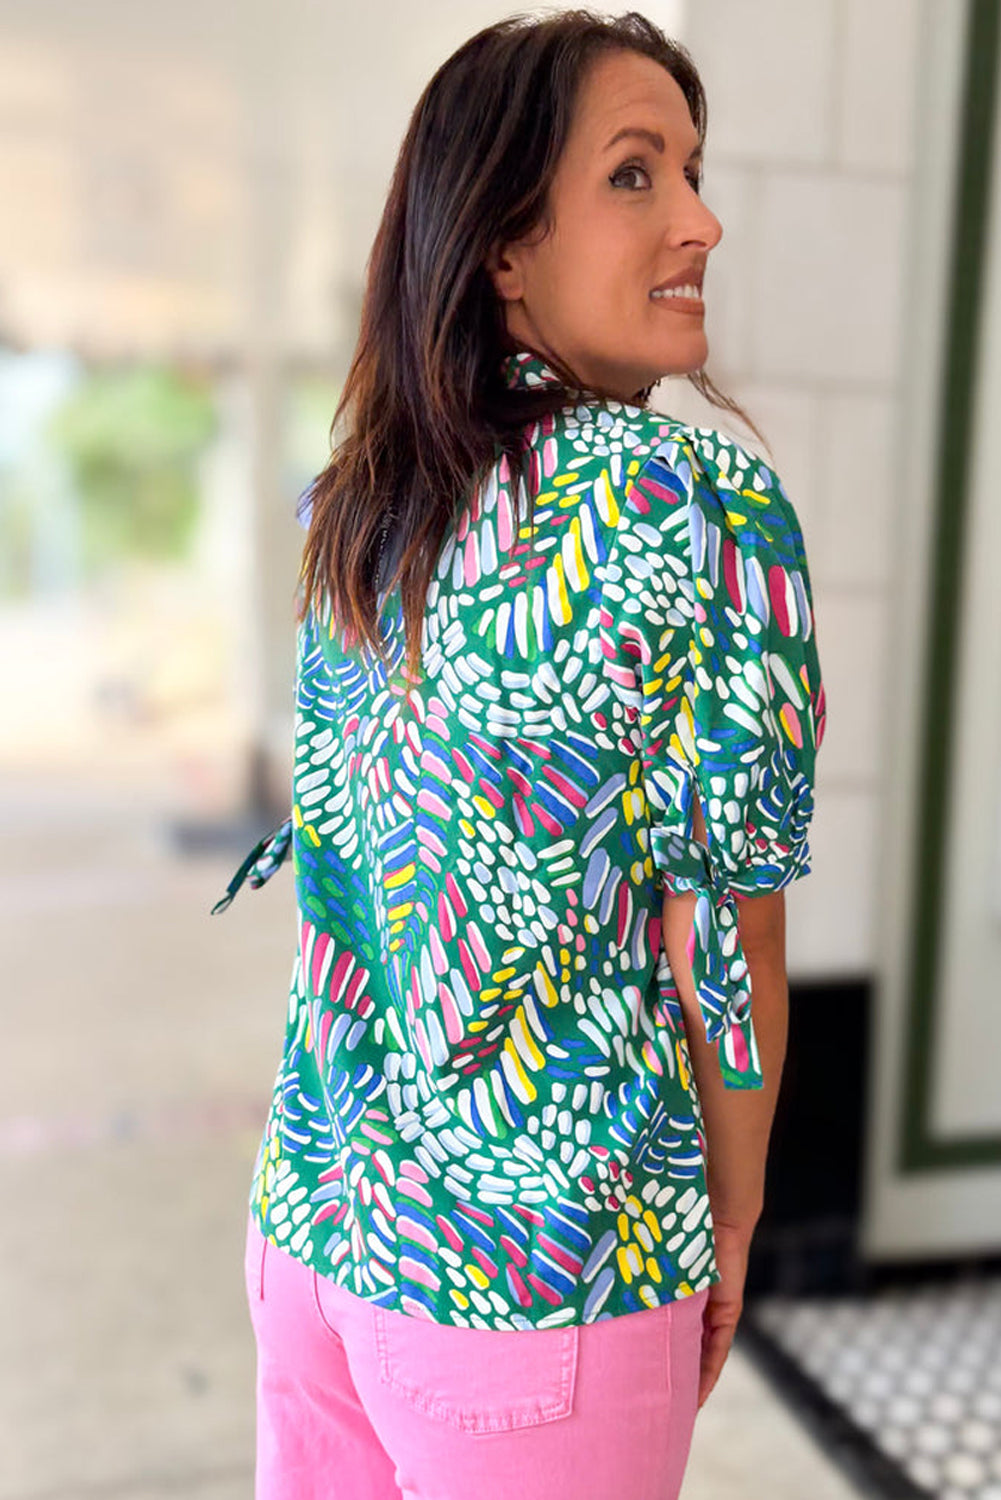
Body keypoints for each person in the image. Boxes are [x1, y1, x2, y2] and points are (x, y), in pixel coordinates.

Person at [212, 10, 827, 1499]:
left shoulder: (355, 506)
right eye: (634, 173)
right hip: (540, 1272)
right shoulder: (693, 500)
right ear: (499, 243)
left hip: (314, 1237)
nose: (701, 221)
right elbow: (729, 934)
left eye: (692, 171)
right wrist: (734, 1214)